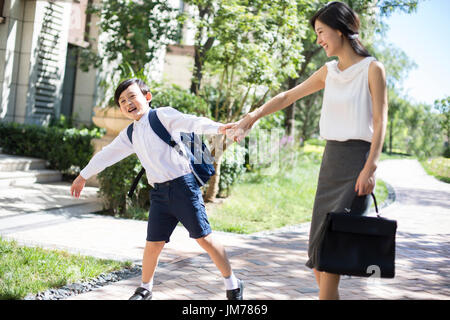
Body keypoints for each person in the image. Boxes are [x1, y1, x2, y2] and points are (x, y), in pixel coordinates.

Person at [227, 1, 388, 300]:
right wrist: (253, 116)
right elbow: (289, 96)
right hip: (330, 164)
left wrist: (370, 168)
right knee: (318, 256)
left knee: (330, 254)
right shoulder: (329, 71)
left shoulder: (372, 69)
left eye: (321, 32)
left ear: (340, 30)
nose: (318, 40)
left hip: (357, 163)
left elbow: (380, 122)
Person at [70, 78, 243, 300]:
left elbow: (191, 122)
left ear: (147, 97)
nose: (127, 102)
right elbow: (107, 154)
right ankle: (145, 289)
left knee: (204, 239)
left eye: (132, 96)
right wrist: (83, 175)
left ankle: (233, 284)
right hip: (160, 194)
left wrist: (219, 128)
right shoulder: (130, 133)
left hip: (184, 187)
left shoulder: (162, 116)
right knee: (153, 244)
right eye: (122, 101)